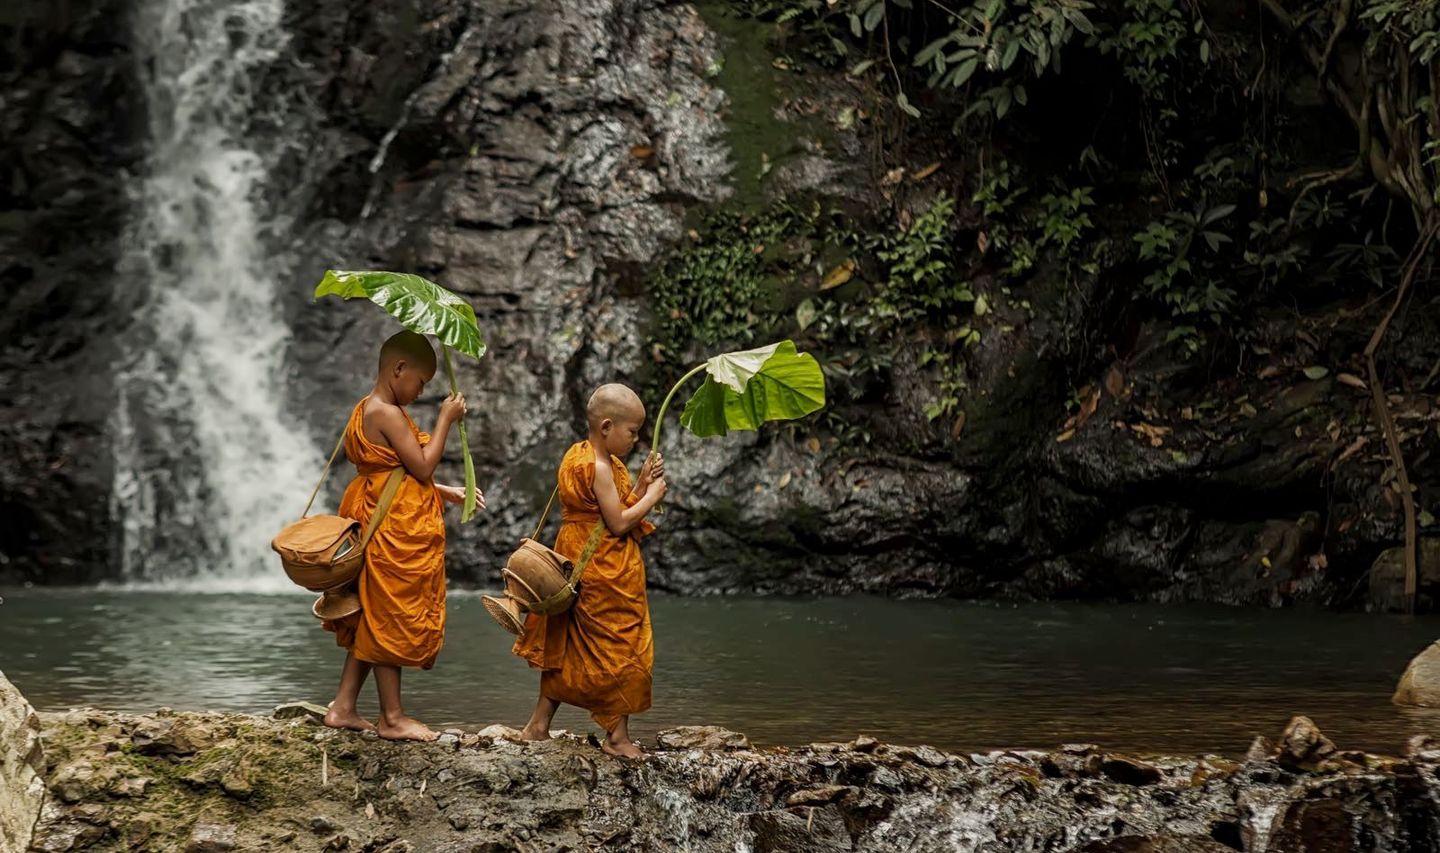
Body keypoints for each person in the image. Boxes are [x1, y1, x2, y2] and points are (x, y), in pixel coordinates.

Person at [321, 329, 482, 741]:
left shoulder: (366, 407)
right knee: (388, 614)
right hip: (388, 524)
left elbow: (397, 469)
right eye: (420, 382)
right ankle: (392, 718)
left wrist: (446, 492)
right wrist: (446, 419)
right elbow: (423, 467)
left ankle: (342, 707)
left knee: (371, 613)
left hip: (374, 509)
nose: (420, 391)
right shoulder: (387, 413)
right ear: (398, 370)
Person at [512, 383, 666, 758]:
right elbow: (616, 522)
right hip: (604, 567)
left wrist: (640, 481)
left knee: (568, 644)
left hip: (576, 556)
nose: (636, 439)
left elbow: (601, 510)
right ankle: (618, 737)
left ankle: (538, 725)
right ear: (607, 426)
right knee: (624, 644)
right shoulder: (599, 467)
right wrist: (651, 497)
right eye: (632, 432)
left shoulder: (577, 455)